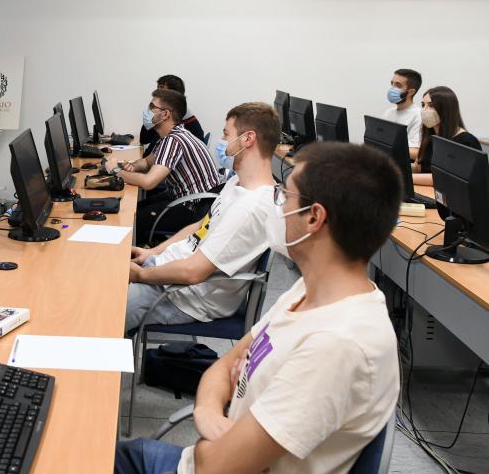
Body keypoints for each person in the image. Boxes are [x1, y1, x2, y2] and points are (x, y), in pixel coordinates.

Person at [116, 142, 402, 474]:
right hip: (200, 457)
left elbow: (215, 466)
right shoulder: (310, 289)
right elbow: (221, 367)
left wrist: (221, 420)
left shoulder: (337, 346)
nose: (276, 206)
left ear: (314, 217)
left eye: (284, 196)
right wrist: (208, 411)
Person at [124, 102, 278, 333]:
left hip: (181, 296)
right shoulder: (237, 182)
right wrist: (152, 253)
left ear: (248, 139)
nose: (222, 142)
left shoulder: (251, 207)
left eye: (227, 134)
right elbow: (200, 226)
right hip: (168, 272)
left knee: (99, 310)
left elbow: (193, 272)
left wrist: (142, 275)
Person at [107, 90, 220, 245]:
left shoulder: (174, 140)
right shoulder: (171, 136)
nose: (147, 112)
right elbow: (147, 162)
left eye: (152, 107)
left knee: (132, 219)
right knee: (135, 208)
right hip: (187, 201)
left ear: (165, 114)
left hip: (193, 210)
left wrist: (116, 171)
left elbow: (149, 182)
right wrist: (128, 167)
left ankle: (134, 263)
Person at [412, 86, 482, 186]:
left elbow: (445, 178)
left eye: (431, 105)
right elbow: (419, 168)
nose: (424, 110)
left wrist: (406, 177)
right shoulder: (431, 137)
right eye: (423, 105)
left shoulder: (465, 141)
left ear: (446, 109)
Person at [139, 75, 205, 154]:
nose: (157, 92)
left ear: (174, 94)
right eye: (157, 88)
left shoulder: (187, 122)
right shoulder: (160, 114)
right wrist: (150, 117)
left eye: (161, 88)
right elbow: (144, 139)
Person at [381, 68, 423, 160]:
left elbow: (415, 152)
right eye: (392, 83)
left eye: (398, 85)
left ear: (411, 92)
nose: (392, 88)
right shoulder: (389, 113)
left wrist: (385, 147)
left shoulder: (418, 115)